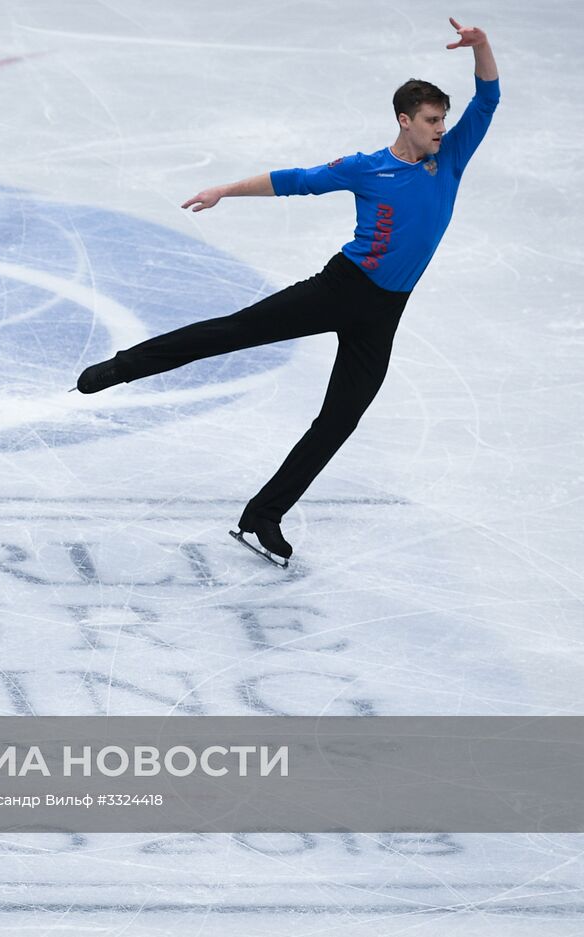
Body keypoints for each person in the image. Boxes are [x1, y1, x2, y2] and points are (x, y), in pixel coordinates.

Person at [76, 17, 499, 566]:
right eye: (432, 119)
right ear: (405, 120)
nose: (442, 127)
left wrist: (482, 45)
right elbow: (294, 180)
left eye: (443, 119)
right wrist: (226, 189)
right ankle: (126, 366)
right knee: (235, 332)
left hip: (384, 312)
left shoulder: (451, 160)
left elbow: (488, 98)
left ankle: (263, 517)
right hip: (341, 288)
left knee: (340, 418)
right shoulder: (367, 168)